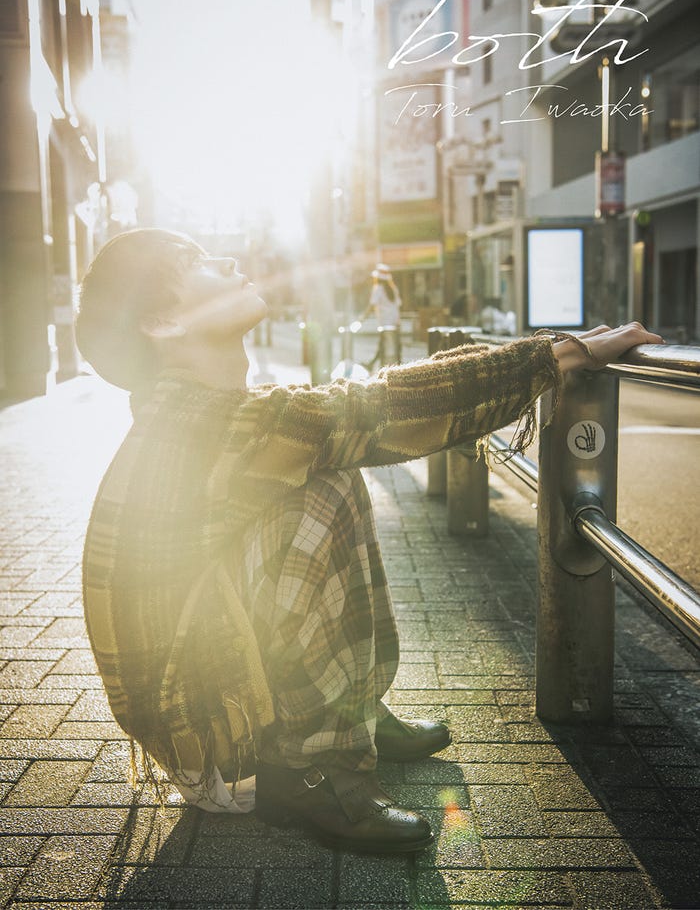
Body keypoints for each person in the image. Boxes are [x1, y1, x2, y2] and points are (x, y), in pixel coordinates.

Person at [75, 228, 663, 855]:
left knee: (320, 469)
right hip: (221, 747)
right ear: (163, 322)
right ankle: (310, 771)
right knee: (318, 496)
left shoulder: (198, 411)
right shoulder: (197, 422)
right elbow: (378, 408)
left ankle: (349, 716)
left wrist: (549, 355)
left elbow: (358, 408)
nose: (226, 261)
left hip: (209, 715)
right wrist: (559, 355)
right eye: (196, 262)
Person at [358, 263, 402, 369]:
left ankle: (378, 365)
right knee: (392, 343)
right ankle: (396, 363)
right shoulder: (393, 288)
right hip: (395, 320)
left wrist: (363, 318)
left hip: (385, 322)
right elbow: (398, 305)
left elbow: (372, 305)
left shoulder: (378, 288)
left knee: (384, 343)